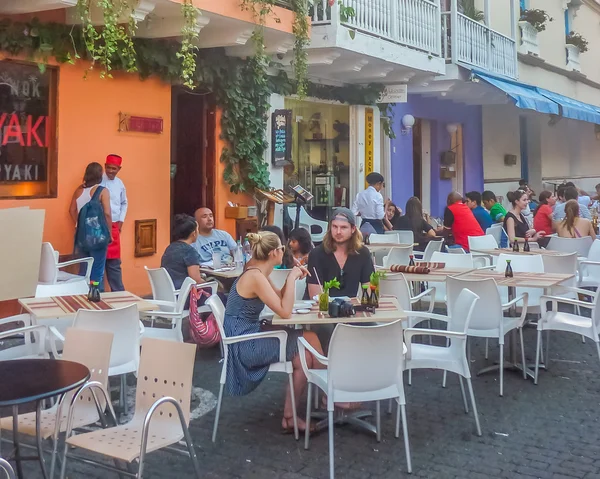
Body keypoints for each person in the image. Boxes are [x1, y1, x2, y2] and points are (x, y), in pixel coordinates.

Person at [223, 231, 325, 432]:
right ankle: (329, 395)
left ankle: (293, 415)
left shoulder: (256, 271)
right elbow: (285, 311)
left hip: (246, 334)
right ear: (273, 253)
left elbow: (279, 297)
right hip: (244, 344)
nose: (284, 252)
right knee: (309, 338)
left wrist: (290, 277)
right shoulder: (255, 276)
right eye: (281, 248)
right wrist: (294, 277)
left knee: (303, 354)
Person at [307, 208, 374, 300]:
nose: (338, 232)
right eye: (335, 227)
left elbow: (370, 292)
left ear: (353, 229)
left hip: (350, 309)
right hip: (323, 309)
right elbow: (315, 296)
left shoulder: (362, 253)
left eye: (343, 227)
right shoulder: (317, 254)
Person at [69, 162, 112, 288]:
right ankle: (96, 295)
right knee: (97, 270)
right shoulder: (102, 191)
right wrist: (109, 232)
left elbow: (71, 210)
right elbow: (107, 213)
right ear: (100, 175)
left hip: (81, 235)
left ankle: (82, 295)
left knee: (84, 269)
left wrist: (79, 224)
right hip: (97, 235)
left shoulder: (78, 190)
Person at [101, 154, 127, 292]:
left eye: (114, 168)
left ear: (119, 169)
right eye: (109, 168)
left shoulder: (120, 184)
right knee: (99, 262)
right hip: (100, 226)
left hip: (115, 226)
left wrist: (121, 221)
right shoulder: (98, 181)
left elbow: (124, 203)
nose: (111, 171)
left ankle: (119, 294)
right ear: (104, 166)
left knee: (114, 263)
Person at [161, 214, 203, 289]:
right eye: (197, 230)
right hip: (184, 293)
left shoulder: (170, 247)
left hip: (169, 291)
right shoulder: (190, 251)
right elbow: (196, 280)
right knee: (222, 296)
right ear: (193, 233)